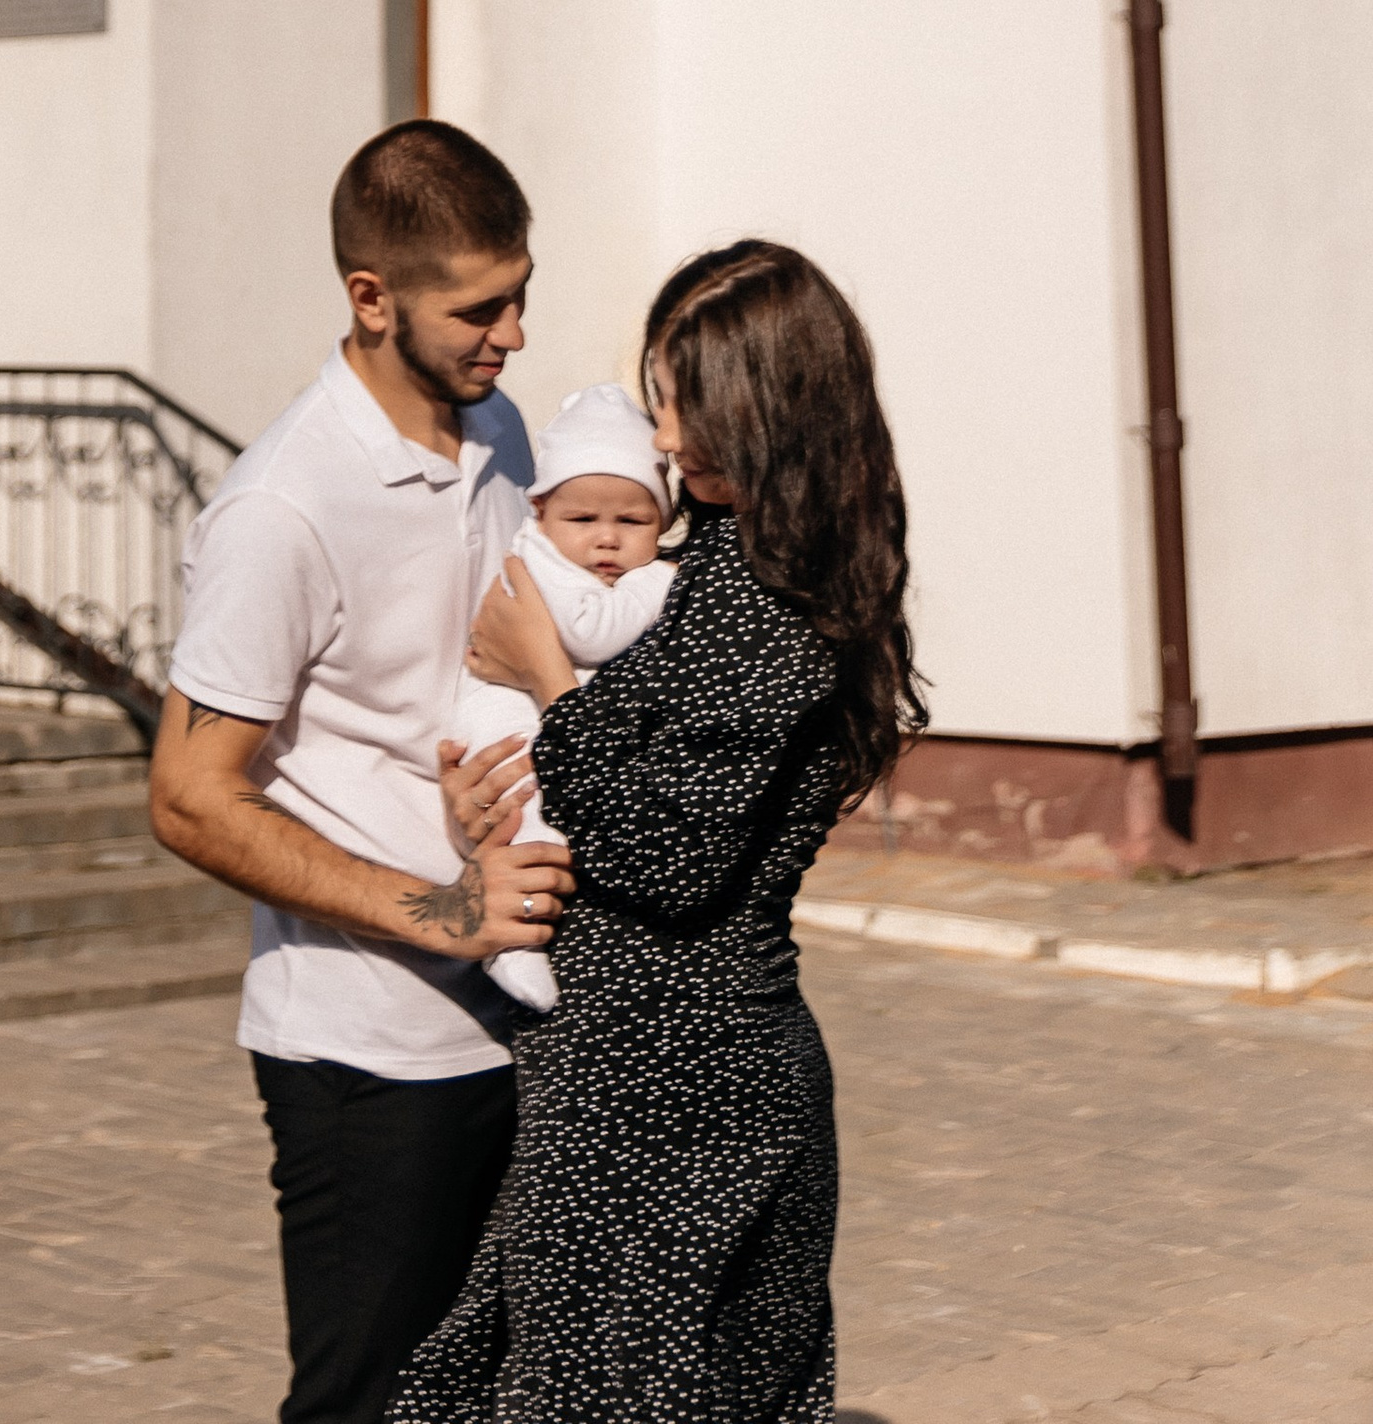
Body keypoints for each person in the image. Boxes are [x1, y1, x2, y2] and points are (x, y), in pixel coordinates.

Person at [390, 238, 927, 1424]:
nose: (663, 439)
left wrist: (548, 687)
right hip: (623, 1070)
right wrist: (496, 796)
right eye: (655, 402)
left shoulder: (778, 608)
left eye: (680, 404)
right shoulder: (711, 566)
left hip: (683, 1089)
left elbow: (666, 857)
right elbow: (619, 794)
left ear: (763, 408)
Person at [149, 122, 578, 1424]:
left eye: (520, 296)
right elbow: (187, 794)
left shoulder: (500, 430)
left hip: (523, 1025)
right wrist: (439, 912)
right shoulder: (284, 504)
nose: (511, 335)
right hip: (365, 1055)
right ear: (372, 299)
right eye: (479, 309)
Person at [445, 383, 676, 1014]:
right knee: (530, 822)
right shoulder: (538, 559)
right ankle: (512, 942)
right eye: (582, 520)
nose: (606, 541)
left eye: (632, 521)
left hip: (539, 713)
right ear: (541, 512)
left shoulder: (583, 561)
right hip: (505, 718)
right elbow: (589, 631)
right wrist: (661, 577)